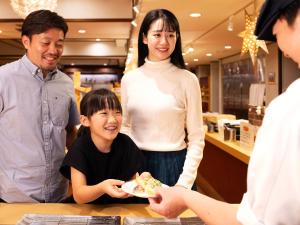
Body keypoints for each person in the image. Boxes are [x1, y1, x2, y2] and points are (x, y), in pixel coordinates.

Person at [149, 0, 300, 224]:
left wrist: (183, 193)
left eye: (276, 34)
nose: (283, 52)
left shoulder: (289, 109)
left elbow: (255, 220)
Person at [0, 10, 79, 203]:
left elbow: (70, 132)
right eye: (45, 43)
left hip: (58, 194)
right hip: (14, 196)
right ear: (26, 41)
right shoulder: (3, 78)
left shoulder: (66, 83)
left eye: (59, 44)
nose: (53, 50)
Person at [121, 9, 205, 189]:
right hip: (137, 165)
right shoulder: (129, 79)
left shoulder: (188, 79)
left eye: (171, 35)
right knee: (136, 217)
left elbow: (197, 137)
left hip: (175, 165)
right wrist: (127, 167)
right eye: (157, 34)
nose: (164, 42)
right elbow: (125, 127)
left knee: (174, 218)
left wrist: (184, 183)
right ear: (144, 38)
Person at [60, 88, 144, 204]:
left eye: (117, 112)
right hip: (87, 210)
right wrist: (102, 188)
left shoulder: (126, 143)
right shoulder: (80, 148)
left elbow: (132, 182)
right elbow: (79, 195)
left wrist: (142, 182)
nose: (112, 119)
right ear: (85, 120)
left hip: (121, 207)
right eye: (104, 113)